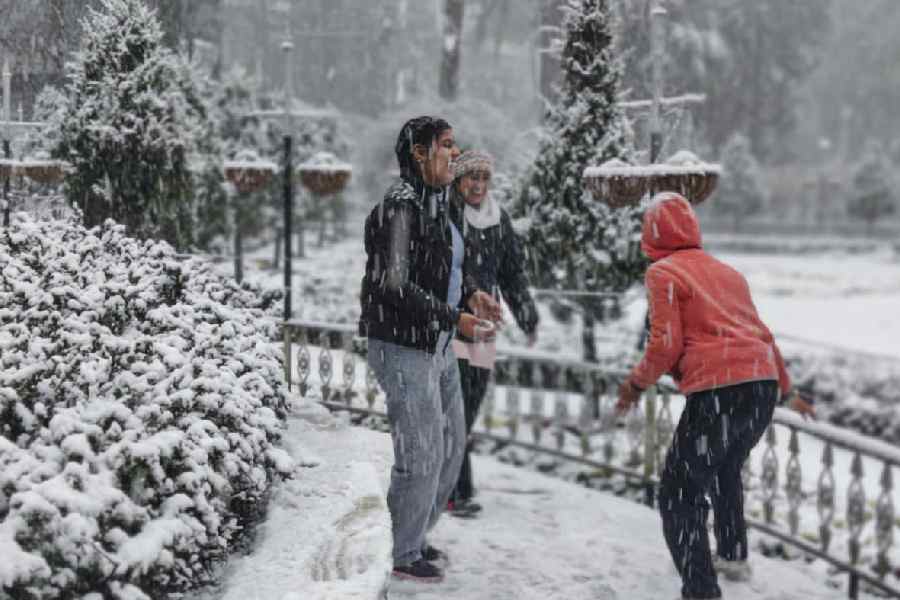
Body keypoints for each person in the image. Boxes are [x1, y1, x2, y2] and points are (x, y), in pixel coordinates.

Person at [615, 192, 815, 600]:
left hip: (720, 389)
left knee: (678, 492)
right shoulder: (727, 273)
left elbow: (665, 343)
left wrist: (636, 384)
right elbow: (761, 334)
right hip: (761, 386)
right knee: (725, 468)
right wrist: (788, 390)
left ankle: (702, 590)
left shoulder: (663, 272)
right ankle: (733, 554)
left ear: (650, 234)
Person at [360, 116, 502, 584]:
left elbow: (442, 271)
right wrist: (452, 318)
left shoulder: (439, 204)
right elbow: (394, 285)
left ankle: (414, 535)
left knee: (450, 449)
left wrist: (471, 297)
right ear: (418, 153)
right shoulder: (400, 208)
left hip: (437, 345)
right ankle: (401, 551)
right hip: (402, 347)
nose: (454, 153)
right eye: (445, 145)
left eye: (455, 144)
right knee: (420, 454)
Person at [446, 150, 539, 518]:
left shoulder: (499, 220)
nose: (478, 185)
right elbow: (444, 267)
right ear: (458, 179)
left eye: (484, 178)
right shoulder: (447, 214)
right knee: (454, 405)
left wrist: (527, 315)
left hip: (483, 329)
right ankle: (456, 489)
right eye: (471, 177)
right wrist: (468, 294)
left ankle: (455, 485)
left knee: (468, 406)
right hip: (452, 321)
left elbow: (512, 273)